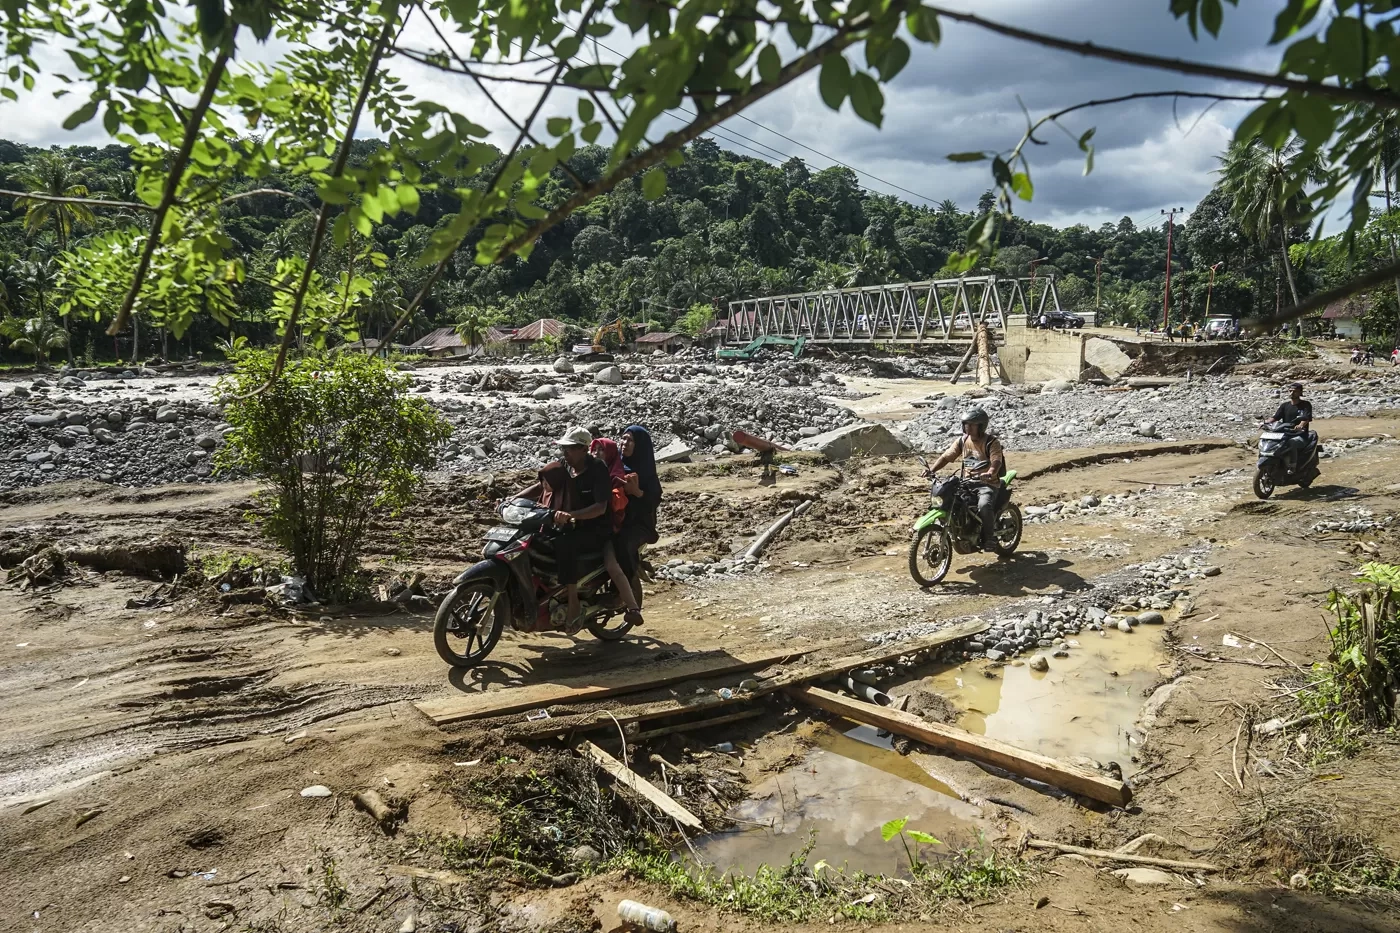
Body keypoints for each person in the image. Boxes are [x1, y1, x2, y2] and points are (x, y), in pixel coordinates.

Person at [532, 426, 614, 632]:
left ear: (583, 449)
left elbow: (600, 507)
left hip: (595, 528)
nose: (564, 453)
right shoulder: (564, 466)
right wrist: (512, 499)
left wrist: (572, 515)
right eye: (563, 449)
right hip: (569, 523)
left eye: (569, 449)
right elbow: (542, 485)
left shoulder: (598, 469)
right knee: (535, 538)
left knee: (564, 544)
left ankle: (573, 604)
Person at [925, 407, 1006, 550]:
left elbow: (996, 460)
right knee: (949, 500)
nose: (968, 427)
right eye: (966, 424)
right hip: (966, 482)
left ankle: (990, 538)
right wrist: (931, 470)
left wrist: (991, 472)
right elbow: (946, 457)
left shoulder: (991, 442)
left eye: (972, 424)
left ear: (981, 426)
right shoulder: (963, 441)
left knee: (983, 506)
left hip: (986, 484)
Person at [589, 437, 645, 627]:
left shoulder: (617, 477)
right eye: (594, 449)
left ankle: (633, 608)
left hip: (607, 531)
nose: (596, 453)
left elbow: (617, 503)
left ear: (610, 454)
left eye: (601, 450)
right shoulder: (582, 471)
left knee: (611, 564)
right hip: (583, 526)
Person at [619, 425, 662, 602]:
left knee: (621, 546)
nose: (624, 443)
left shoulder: (646, 472)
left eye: (630, 440)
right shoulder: (617, 465)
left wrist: (637, 492)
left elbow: (653, 500)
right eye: (623, 438)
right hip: (618, 519)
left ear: (640, 446)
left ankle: (626, 593)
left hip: (640, 525)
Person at [1272, 382, 1314, 470]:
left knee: (1292, 442)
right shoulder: (1285, 405)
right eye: (1290, 391)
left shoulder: (1305, 405)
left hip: (1300, 435)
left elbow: (1306, 418)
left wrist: (1300, 425)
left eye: (1294, 391)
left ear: (1300, 392)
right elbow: (1275, 418)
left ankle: (1292, 466)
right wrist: (1264, 423)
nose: (1291, 393)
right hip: (1285, 434)